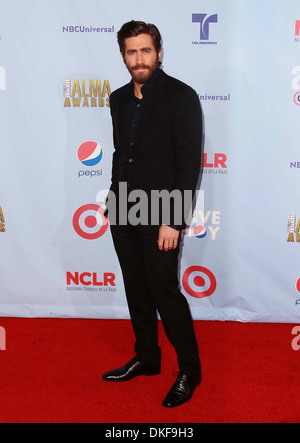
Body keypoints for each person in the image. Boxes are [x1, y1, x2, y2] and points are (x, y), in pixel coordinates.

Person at [102, 20, 203, 409]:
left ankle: (189, 370)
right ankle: (147, 356)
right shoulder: (117, 98)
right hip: (123, 207)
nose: (139, 59)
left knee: (164, 291)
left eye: (146, 50)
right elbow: (122, 152)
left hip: (162, 211)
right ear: (123, 55)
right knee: (136, 287)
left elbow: (187, 163)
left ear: (159, 53)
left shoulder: (181, 96)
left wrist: (174, 219)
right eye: (131, 51)